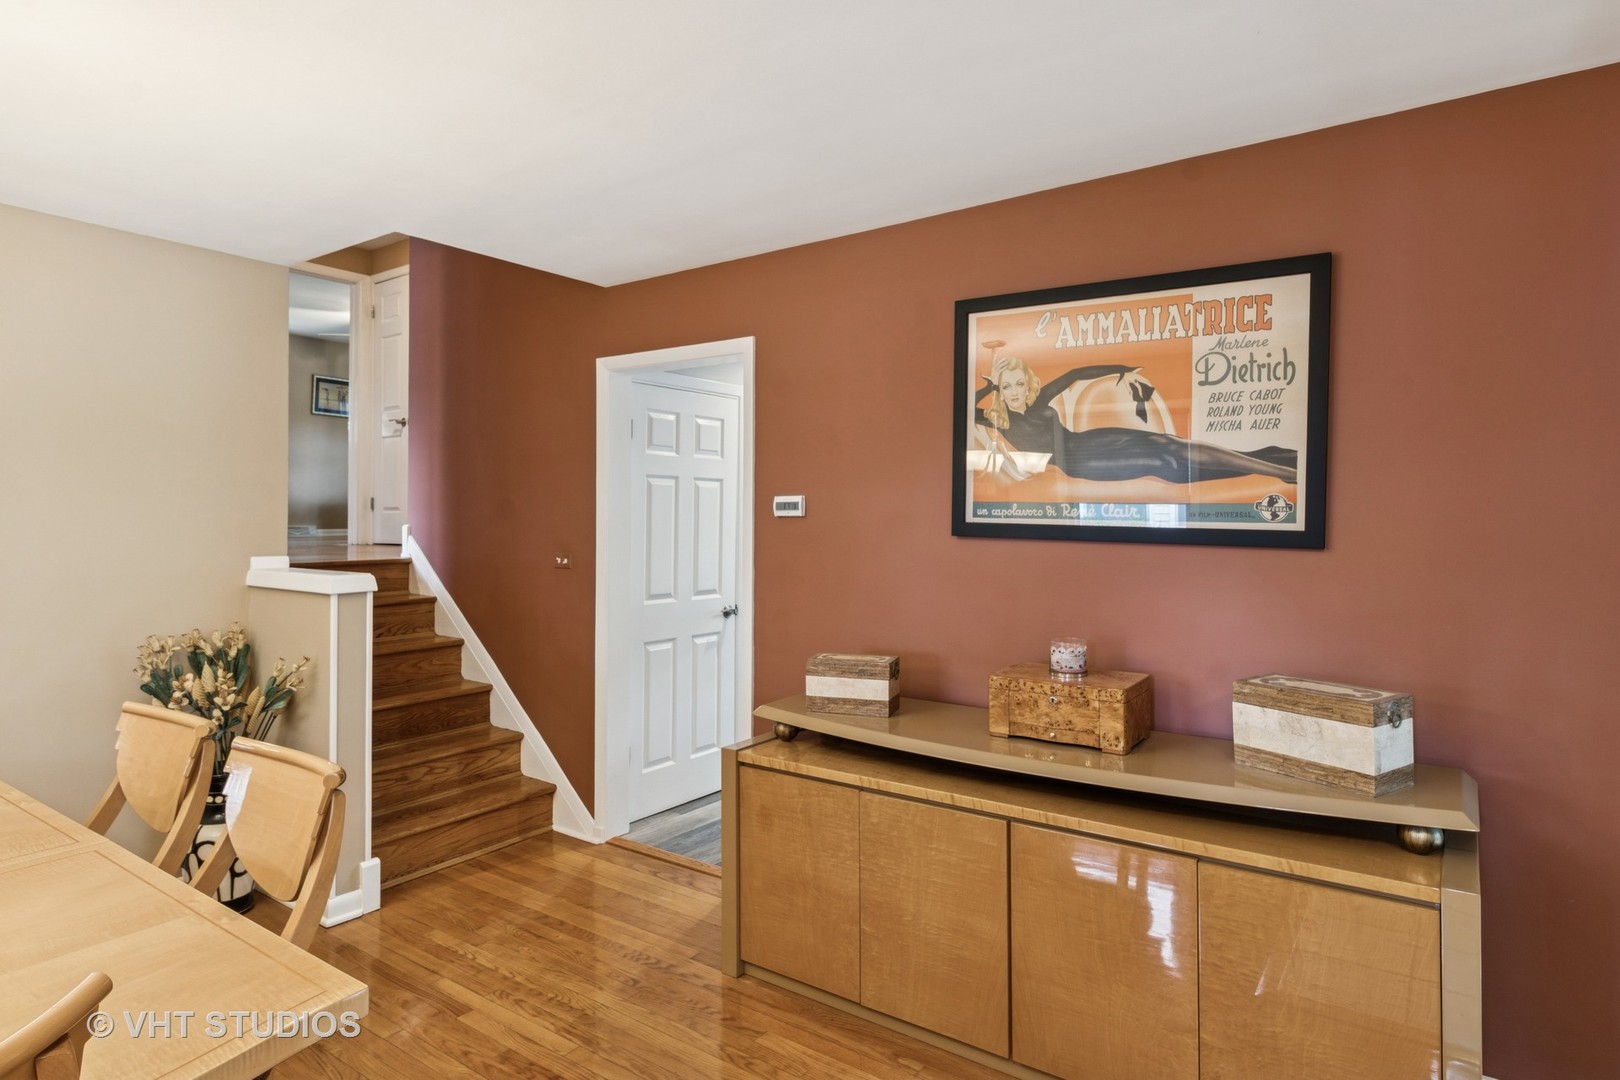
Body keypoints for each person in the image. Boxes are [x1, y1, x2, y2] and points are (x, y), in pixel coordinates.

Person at [974, 355, 1297, 484]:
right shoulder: (995, 419)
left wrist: (1121, 369)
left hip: (1088, 440)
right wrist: (986, 387)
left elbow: (1074, 374)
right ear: (1000, 390)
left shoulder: (1037, 399)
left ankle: (1274, 461)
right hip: (1076, 462)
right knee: (1167, 465)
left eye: (1019, 383)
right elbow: (963, 408)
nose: (1015, 391)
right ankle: (1276, 465)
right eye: (1006, 385)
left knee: (1168, 444)